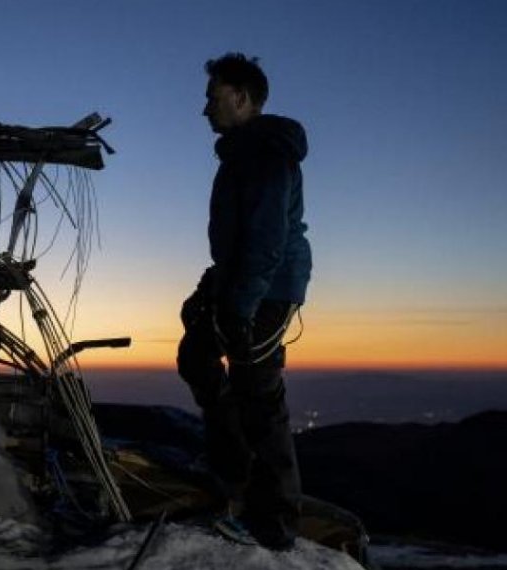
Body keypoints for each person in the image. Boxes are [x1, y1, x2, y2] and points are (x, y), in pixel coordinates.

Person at [177, 52, 312, 550]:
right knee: (197, 356)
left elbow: (266, 240)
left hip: (269, 288)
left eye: (212, 97)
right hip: (242, 280)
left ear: (241, 97)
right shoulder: (243, 152)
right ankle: (232, 473)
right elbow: (240, 239)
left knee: (258, 390)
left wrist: (239, 305)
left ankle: (273, 523)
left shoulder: (265, 155)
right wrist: (212, 288)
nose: (204, 108)